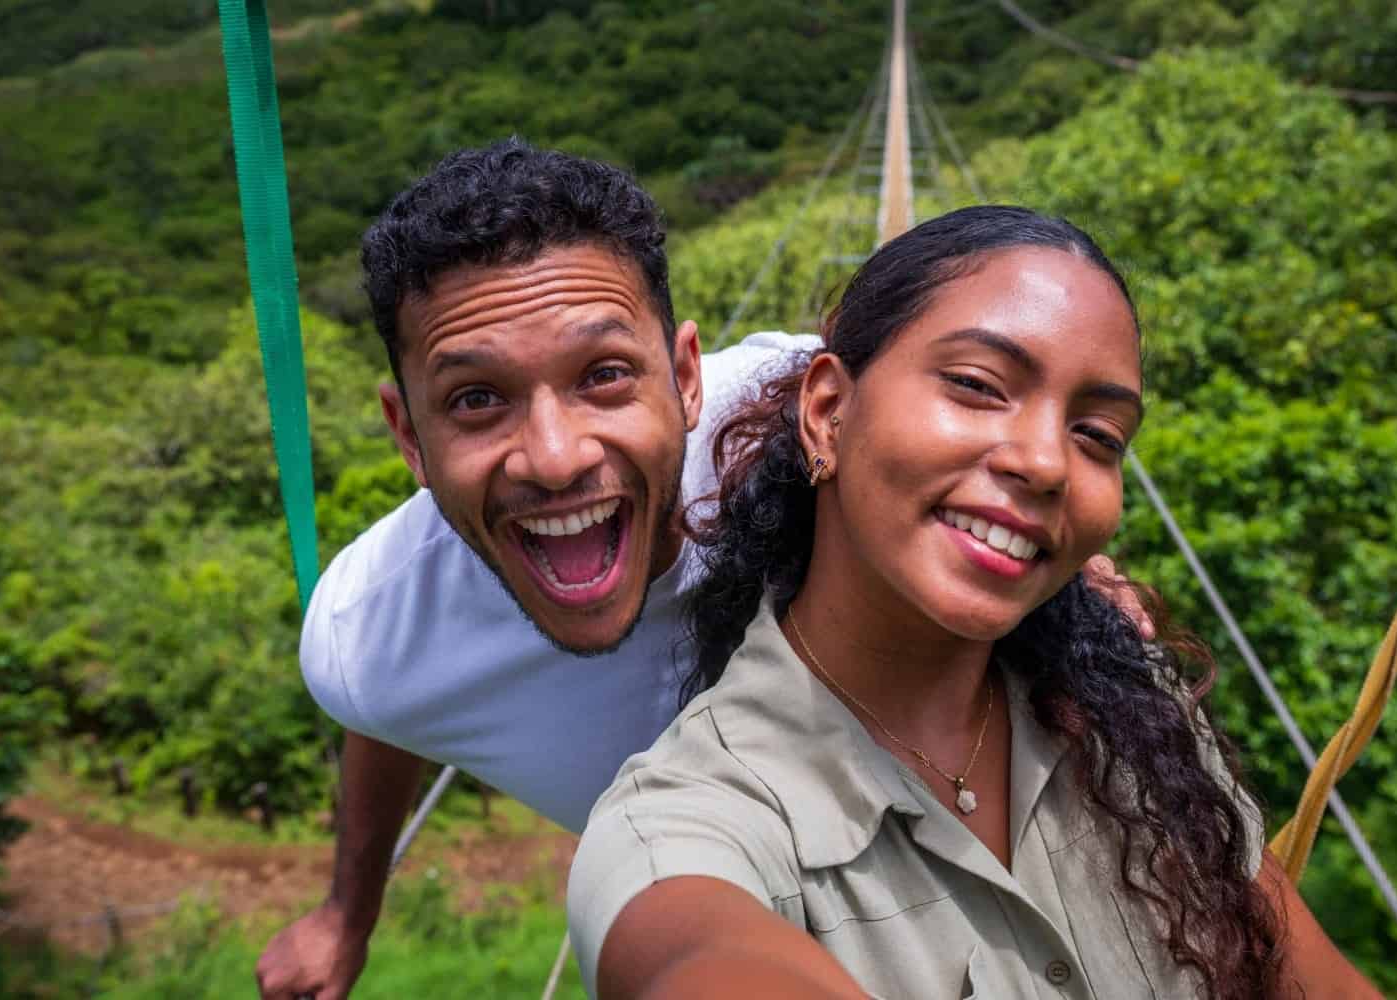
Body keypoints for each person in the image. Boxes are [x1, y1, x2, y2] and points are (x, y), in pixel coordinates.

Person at [254, 142, 1143, 1000]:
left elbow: (1000, 459)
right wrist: (346, 914)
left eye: (603, 375)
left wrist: (1080, 582)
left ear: (686, 377)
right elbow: (381, 703)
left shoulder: (787, 405)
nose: (555, 458)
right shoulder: (365, 632)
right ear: (407, 436)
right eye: (476, 399)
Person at [567, 206, 1381, 999]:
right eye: (978, 385)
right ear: (827, 413)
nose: (1047, 463)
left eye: (1097, 435)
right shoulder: (686, 827)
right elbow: (691, 953)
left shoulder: (1135, 715)